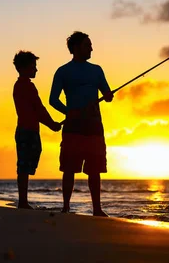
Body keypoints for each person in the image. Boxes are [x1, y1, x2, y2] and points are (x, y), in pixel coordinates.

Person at [49, 31, 113, 216]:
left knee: (95, 169)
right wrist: (69, 112)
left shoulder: (97, 70)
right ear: (76, 48)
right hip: (73, 127)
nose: (91, 48)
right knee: (69, 168)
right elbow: (53, 100)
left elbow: (107, 94)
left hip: (94, 126)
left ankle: (97, 209)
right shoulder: (63, 71)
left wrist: (108, 96)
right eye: (87, 45)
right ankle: (66, 206)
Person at [12, 51, 62, 209]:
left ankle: (23, 200)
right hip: (28, 130)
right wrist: (52, 124)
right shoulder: (27, 87)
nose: (36, 70)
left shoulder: (20, 86)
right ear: (24, 68)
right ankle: (23, 201)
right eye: (33, 66)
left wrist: (50, 123)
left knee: (25, 164)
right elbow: (38, 109)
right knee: (24, 166)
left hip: (25, 129)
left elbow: (37, 110)